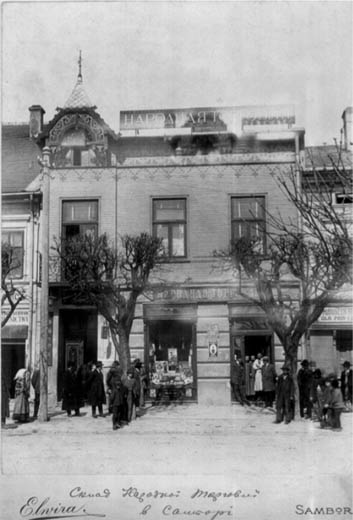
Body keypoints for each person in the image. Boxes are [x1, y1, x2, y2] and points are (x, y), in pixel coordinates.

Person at [110, 366, 124, 430]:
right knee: (115, 414)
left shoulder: (119, 390)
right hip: (115, 403)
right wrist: (111, 403)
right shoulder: (115, 390)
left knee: (119, 414)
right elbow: (112, 397)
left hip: (119, 403)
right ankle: (114, 424)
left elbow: (121, 397)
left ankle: (117, 423)